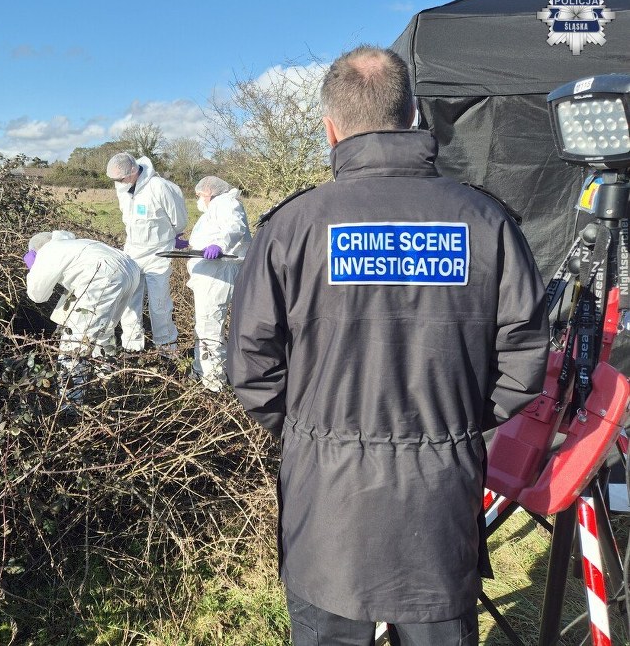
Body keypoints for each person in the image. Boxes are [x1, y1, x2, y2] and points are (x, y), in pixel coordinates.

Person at [226, 45, 549, 645]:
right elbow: (524, 360)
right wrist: (453, 421)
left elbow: (251, 368)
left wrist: (312, 431)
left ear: (330, 127)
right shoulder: (485, 222)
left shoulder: (291, 227)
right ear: (415, 113)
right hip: (438, 495)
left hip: (328, 502)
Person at [24, 230, 141, 405]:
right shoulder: (72, 244)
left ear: (35, 251)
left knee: (76, 340)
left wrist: (34, 268)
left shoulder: (48, 252)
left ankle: (70, 404)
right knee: (104, 331)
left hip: (103, 276)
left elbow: (37, 295)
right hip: (129, 270)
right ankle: (108, 385)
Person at [106, 152, 188, 353]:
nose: (119, 183)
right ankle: (132, 346)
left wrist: (173, 236)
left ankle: (167, 347)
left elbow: (179, 218)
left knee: (159, 304)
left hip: (158, 254)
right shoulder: (123, 186)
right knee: (129, 302)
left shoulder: (159, 187)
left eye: (121, 178)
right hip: (132, 251)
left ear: (133, 171)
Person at [185, 176, 251, 391]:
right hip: (210, 275)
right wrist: (189, 244)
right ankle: (201, 372)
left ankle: (214, 385)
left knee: (210, 328)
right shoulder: (215, 208)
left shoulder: (225, 203)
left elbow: (235, 228)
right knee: (204, 327)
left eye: (199, 195)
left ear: (209, 192)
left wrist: (218, 245)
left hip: (218, 274)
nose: (199, 199)